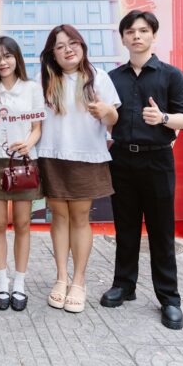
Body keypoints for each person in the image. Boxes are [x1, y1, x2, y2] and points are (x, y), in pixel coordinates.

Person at [100, 10, 183, 331]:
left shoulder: (171, 76)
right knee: (125, 227)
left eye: (143, 30)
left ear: (153, 35)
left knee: (161, 231)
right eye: (130, 31)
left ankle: (169, 298)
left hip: (157, 161)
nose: (136, 36)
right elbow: (106, 117)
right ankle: (124, 285)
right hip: (122, 159)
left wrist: (163, 118)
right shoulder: (112, 78)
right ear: (123, 38)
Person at [37, 25, 120, 314]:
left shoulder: (99, 77)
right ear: (53, 54)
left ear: (82, 46)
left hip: (86, 156)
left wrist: (106, 111)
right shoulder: (43, 80)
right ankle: (61, 278)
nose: (68, 50)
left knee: (81, 218)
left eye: (72, 43)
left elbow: (113, 118)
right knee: (59, 217)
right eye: (60, 46)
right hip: (51, 155)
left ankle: (79, 281)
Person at [0, 36, 44, 312]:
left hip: (23, 161)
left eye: (7, 56)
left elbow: (37, 127)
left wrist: (29, 143)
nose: (2, 62)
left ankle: (20, 283)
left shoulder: (32, 88)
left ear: (17, 58)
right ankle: (2, 281)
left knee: (23, 223)